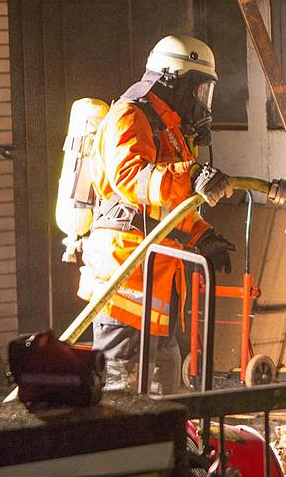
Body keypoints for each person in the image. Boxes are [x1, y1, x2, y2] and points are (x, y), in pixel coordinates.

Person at [78, 35, 236, 393]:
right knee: (124, 405)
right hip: (124, 287)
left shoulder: (170, 128)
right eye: (198, 91)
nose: (201, 103)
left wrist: (202, 236)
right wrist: (193, 175)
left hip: (157, 291)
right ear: (172, 80)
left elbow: (171, 206)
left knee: (165, 399)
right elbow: (132, 179)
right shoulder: (129, 115)